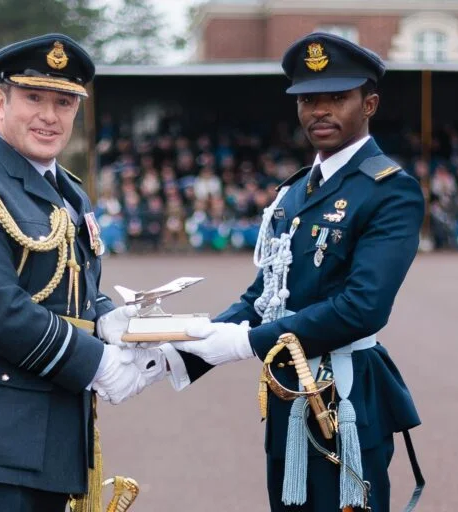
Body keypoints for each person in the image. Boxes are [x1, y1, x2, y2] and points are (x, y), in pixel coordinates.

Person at [0, 33, 168, 512]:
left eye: (64, 102)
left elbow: (73, 286)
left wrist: (106, 317)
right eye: (34, 98)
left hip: (48, 434)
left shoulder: (70, 192)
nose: (49, 115)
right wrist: (98, 364)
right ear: (1, 101)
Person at [169, 33, 425, 511]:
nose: (320, 111)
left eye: (337, 98)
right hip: (289, 394)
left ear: (369, 103)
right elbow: (264, 296)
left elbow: (362, 308)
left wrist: (246, 343)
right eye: (309, 99)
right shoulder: (293, 192)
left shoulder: (390, 191)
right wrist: (185, 348)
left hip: (345, 397)